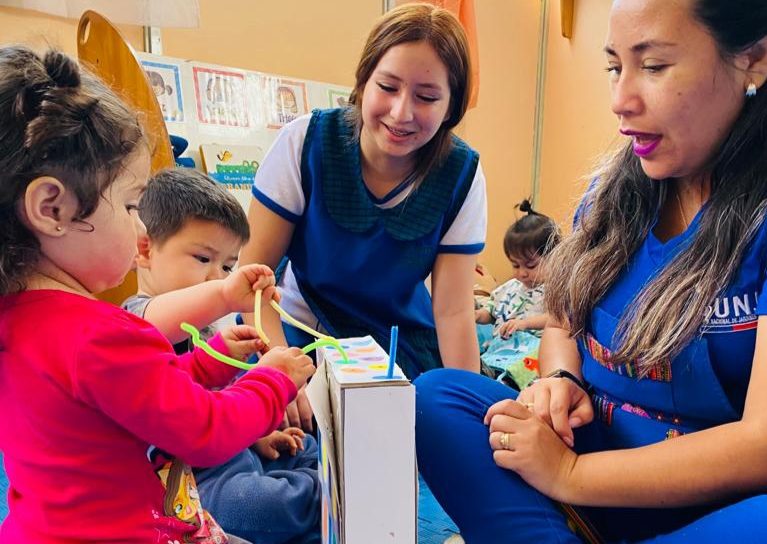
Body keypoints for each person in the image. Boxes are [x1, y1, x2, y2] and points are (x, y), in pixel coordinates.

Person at [415, 0, 767, 542]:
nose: (620, 100)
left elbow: (759, 444)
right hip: (590, 458)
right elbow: (561, 322)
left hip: (710, 505)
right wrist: (560, 380)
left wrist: (570, 474)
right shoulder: (611, 198)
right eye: (613, 67)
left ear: (754, 60)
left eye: (653, 67)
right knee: (440, 399)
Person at [0, 46, 315, 543]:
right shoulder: (99, 334)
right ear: (52, 208)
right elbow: (205, 430)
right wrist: (273, 380)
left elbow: (136, 394)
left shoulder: (18, 319)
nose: (139, 227)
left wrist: (209, 362)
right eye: (131, 205)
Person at [240, 3, 488, 427]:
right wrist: (278, 369)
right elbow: (252, 279)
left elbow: (453, 313)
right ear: (362, 81)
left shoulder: (461, 175)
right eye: (387, 87)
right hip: (300, 328)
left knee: (423, 428)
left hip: (397, 340)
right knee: (283, 425)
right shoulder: (305, 142)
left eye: (427, 97)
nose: (401, 112)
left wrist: (470, 410)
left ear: (452, 108)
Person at [124, 168, 320, 544]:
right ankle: (316, 495)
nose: (218, 278)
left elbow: (222, 401)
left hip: (232, 451)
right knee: (257, 506)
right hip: (189, 483)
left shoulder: (207, 326)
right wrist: (226, 297)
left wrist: (258, 435)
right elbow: (158, 322)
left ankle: (312, 490)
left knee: (305, 447)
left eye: (228, 266)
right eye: (203, 258)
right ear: (145, 249)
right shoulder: (135, 322)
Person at [475, 200, 560, 387]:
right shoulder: (512, 287)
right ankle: (488, 372)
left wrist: (524, 323)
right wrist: (478, 315)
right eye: (515, 265)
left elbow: (559, 319)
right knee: (480, 352)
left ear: (555, 257)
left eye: (531, 266)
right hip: (502, 348)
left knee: (531, 361)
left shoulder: (556, 289)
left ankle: (510, 381)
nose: (522, 273)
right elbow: (492, 312)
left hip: (533, 349)